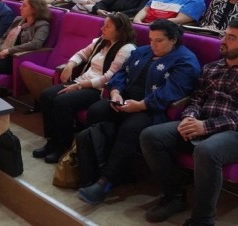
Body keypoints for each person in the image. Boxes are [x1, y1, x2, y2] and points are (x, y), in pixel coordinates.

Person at [139, 19, 238, 225]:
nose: (223, 41)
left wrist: (206, 126)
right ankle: (174, 196)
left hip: (236, 134)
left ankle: (203, 219)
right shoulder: (211, 67)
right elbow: (196, 99)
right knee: (151, 136)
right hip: (201, 123)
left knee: (207, 150)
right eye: (224, 35)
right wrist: (189, 117)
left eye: (231, 38)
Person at [77, 20, 200, 205]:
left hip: (154, 109)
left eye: (159, 40)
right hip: (125, 100)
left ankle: (106, 181)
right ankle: (99, 168)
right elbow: (121, 74)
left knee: (131, 127)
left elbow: (172, 92)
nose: (153, 45)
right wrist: (115, 92)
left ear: (173, 40)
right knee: (97, 110)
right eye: (151, 39)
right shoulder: (142, 51)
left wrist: (141, 105)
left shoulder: (185, 60)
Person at [33, 13, 137, 163]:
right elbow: (81, 54)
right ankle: (52, 141)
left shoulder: (126, 49)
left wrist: (79, 85)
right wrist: (70, 64)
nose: (102, 28)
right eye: (103, 25)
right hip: (82, 81)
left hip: (98, 89)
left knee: (62, 102)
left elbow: (109, 78)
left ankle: (64, 146)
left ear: (120, 30)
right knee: (46, 95)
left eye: (107, 26)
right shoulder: (101, 41)